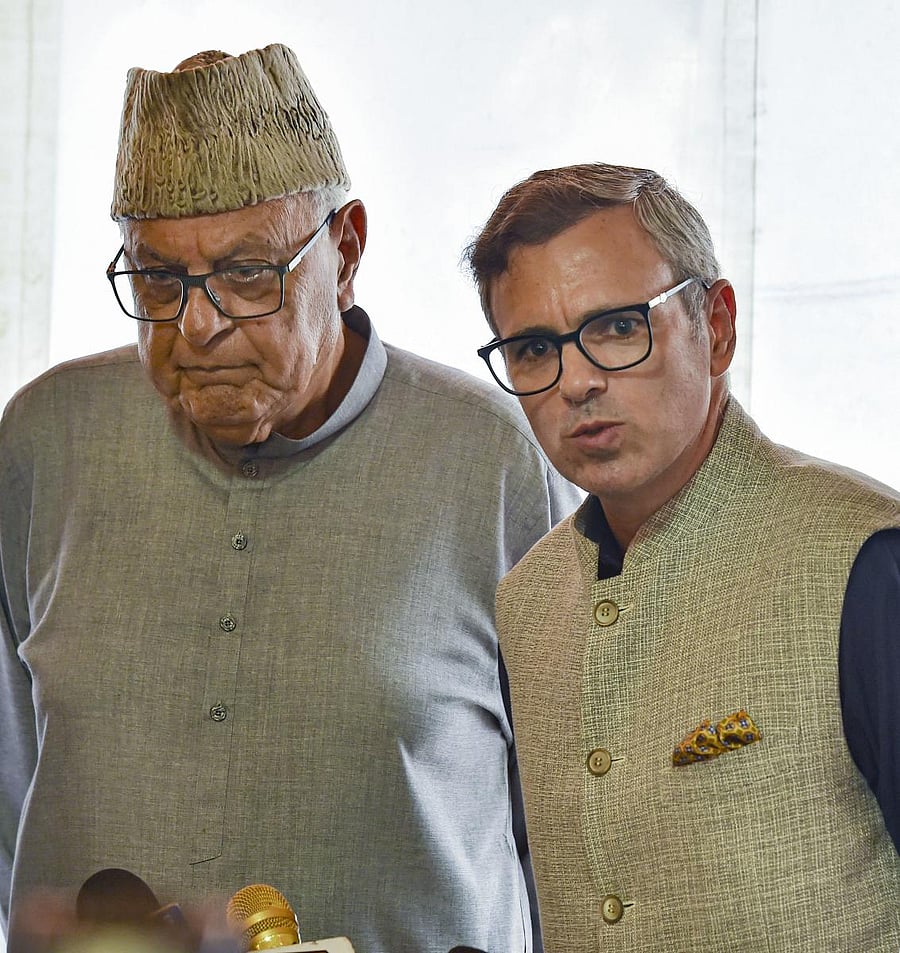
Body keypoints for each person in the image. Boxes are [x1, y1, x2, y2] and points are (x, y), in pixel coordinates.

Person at [0, 45, 579, 953]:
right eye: (157, 278)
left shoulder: (491, 458)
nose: (198, 323)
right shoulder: (43, 440)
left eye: (246, 272)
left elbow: (575, 819)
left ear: (344, 251)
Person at [464, 162, 900, 951]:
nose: (579, 382)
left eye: (619, 326)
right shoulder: (526, 605)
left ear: (718, 324)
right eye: (534, 348)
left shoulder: (864, 564)